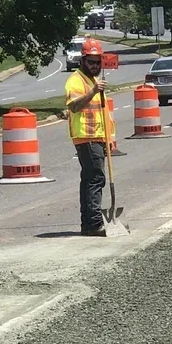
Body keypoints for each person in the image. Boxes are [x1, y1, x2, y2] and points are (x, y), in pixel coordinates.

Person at [65, 38, 114, 237]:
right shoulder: (76, 81)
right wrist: (93, 91)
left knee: (88, 179)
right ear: (83, 61)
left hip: (97, 137)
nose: (95, 65)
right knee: (96, 179)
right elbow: (73, 106)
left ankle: (87, 224)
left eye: (97, 61)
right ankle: (94, 223)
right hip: (87, 137)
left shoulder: (93, 80)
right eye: (91, 61)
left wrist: (108, 138)